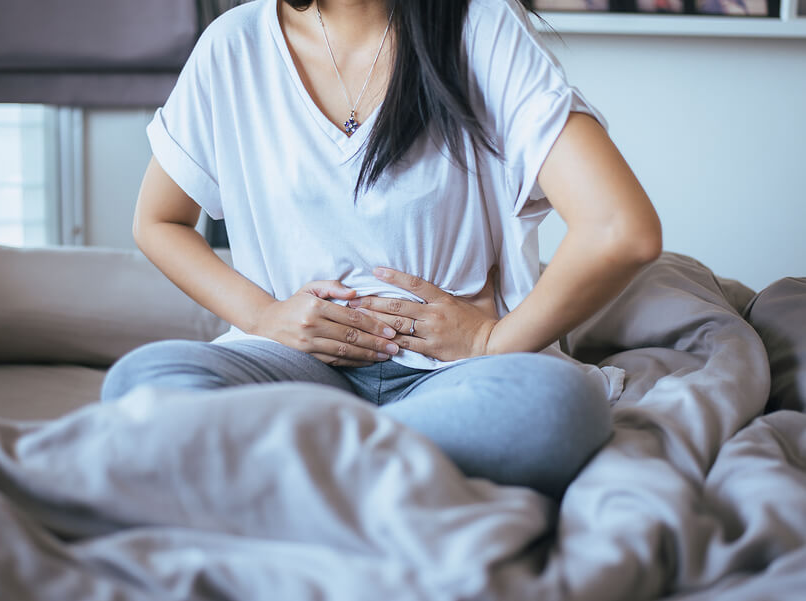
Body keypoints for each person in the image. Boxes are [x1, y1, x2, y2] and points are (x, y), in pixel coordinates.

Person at [101, 0, 662, 497]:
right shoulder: (233, 44)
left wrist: (494, 340)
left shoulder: (481, 26)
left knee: (552, 409)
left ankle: (291, 470)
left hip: (450, 375)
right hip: (296, 365)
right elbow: (159, 221)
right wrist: (264, 314)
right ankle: (381, 471)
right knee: (145, 383)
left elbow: (620, 229)